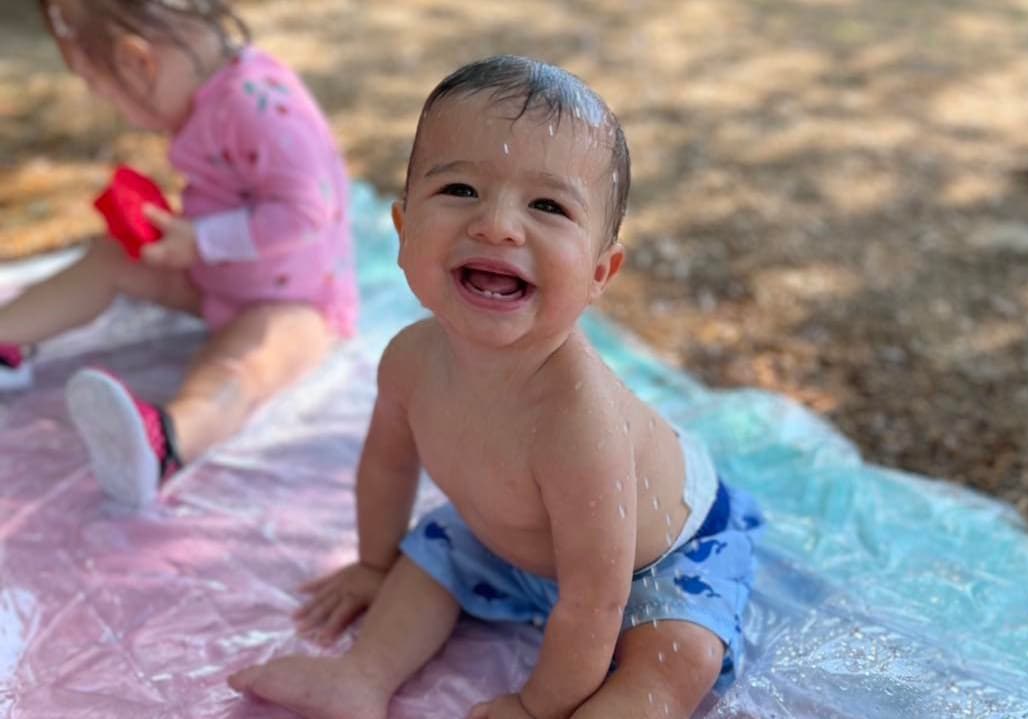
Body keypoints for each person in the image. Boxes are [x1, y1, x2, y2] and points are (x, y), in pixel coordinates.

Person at [228, 55, 763, 719]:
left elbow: (596, 599)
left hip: (651, 565)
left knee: (680, 656)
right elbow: (388, 463)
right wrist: (374, 565)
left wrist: (538, 704)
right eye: (460, 191)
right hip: (506, 538)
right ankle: (362, 677)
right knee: (428, 560)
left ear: (601, 270)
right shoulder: (409, 360)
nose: (498, 225)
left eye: (547, 205)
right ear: (401, 230)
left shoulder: (578, 420)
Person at [0, 0, 357, 507]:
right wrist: (185, 236)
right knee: (111, 257)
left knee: (241, 366)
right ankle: (6, 335)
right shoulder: (211, 95)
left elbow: (306, 212)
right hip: (215, 276)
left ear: (139, 62)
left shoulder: (260, 105)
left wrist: (202, 238)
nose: (110, 105)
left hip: (298, 303)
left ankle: (165, 442)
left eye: (100, 88)